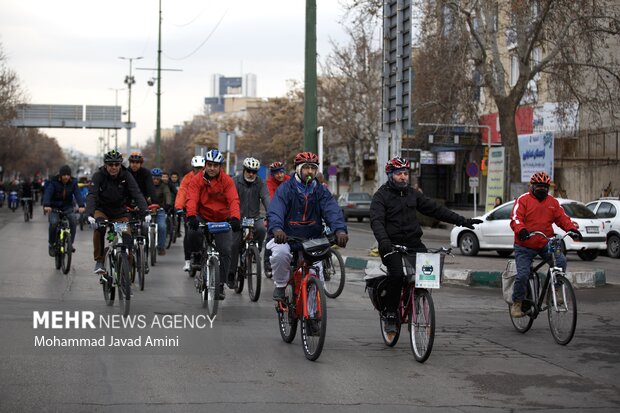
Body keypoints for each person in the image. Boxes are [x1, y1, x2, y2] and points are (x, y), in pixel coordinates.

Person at [369, 157, 483, 339]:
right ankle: (390, 314)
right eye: (399, 174)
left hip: (414, 244)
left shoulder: (413, 194)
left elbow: (436, 210)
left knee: (424, 275)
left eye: (406, 173)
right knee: (397, 274)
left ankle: (415, 299)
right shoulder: (381, 196)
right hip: (390, 245)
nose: (403, 177)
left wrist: (463, 221)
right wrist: (384, 241)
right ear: (390, 175)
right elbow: (377, 221)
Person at [267, 151, 348, 300]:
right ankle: (280, 285)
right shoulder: (285, 189)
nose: (310, 171)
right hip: (287, 237)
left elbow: (332, 211)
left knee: (316, 280)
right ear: (298, 169)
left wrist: (340, 230)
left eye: (313, 168)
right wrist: (277, 229)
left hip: (313, 239)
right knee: (280, 254)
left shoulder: (321, 190)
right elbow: (276, 210)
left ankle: (313, 317)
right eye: (306, 167)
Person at [509, 171, 582, 318]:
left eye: (545, 187)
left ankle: (557, 289)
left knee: (560, 260)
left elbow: (563, 218)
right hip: (524, 244)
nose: (542, 189)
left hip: (545, 242)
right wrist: (521, 229)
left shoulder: (552, 202)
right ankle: (517, 303)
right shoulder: (523, 200)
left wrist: (572, 229)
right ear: (532, 186)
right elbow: (515, 218)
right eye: (539, 186)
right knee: (523, 275)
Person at [185, 149, 241, 299]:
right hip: (202, 215)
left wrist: (235, 217)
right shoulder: (197, 180)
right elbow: (191, 198)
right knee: (193, 233)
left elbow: (233, 200)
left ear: (220, 167)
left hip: (222, 218)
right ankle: (197, 255)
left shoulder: (227, 181)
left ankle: (220, 284)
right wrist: (191, 216)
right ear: (205, 165)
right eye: (209, 164)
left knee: (226, 250)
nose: (212, 168)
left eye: (215, 165)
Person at [85, 150, 150, 274]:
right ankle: (99, 261)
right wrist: (89, 215)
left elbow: (136, 193)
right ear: (105, 165)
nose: (114, 167)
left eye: (116, 164)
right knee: (100, 228)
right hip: (102, 210)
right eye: (110, 165)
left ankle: (125, 273)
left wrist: (145, 212)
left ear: (120, 165)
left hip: (119, 213)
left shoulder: (126, 175)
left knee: (126, 239)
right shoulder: (98, 175)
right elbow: (92, 195)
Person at [228, 157, 270, 288]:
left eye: (254, 171)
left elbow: (266, 198)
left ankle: (255, 250)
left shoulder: (260, 183)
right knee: (234, 245)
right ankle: (231, 274)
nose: (251, 174)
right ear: (244, 170)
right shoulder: (234, 181)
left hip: (254, 217)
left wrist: (271, 214)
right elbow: (229, 199)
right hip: (237, 219)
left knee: (262, 229)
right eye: (249, 171)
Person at [43, 165, 86, 256]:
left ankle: (71, 243)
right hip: (54, 207)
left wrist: (81, 205)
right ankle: (51, 244)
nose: (66, 177)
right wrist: (47, 205)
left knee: (73, 220)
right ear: (60, 175)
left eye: (68, 175)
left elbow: (77, 194)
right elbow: (48, 193)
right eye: (64, 175)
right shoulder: (53, 182)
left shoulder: (73, 182)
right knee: (54, 223)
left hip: (67, 207)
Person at [175, 155, 206, 272]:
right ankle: (188, 259)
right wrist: (179, 206)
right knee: (189, 234)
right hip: (190, 210)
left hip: (204, 211)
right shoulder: (187, 178)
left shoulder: (207, 177)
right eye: (196, 168)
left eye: (201, 168)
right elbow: (182, 192)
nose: (198, 171)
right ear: (193, 168)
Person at [151, 168, 171, 256]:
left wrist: (168, 204)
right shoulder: (147, 185)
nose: (155, 180)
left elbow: (168, 195)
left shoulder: (164, 186)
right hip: (147, 209)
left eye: (157, 178)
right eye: (154, 178)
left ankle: (161, 247)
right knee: (141, 226)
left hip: (160, 209)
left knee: (162, 227)